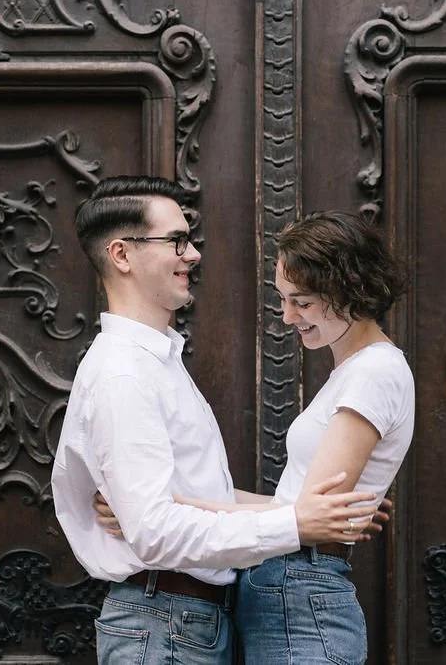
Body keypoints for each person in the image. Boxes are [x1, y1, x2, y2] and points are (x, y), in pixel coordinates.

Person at [51, 176, 383, 665]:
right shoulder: (123, 372)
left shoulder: (158, 364)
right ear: (121, 255)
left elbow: (186, 503)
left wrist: (312, 515)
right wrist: (295, 523)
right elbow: (156, 531)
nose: (193, 255)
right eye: (176, 241)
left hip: (184, 622)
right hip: (163, 622)